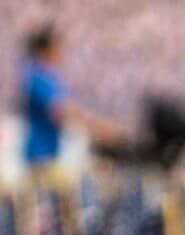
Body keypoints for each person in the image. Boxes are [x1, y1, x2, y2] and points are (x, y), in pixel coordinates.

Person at [19, 24, 119, 179]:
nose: (60, 52)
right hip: (41, 153)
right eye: (56, 47)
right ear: (45, 49)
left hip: (50, 150)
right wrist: (99, 127)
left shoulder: (45, 75)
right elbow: (61, 110)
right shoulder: (38, 76)